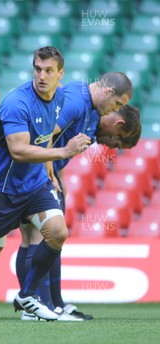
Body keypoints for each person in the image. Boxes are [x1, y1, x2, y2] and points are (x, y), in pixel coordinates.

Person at [0, 46, 92, 322]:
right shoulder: (17, 102)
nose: (42, 76)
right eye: (38, 69)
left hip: (33, 184)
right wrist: (63, 153)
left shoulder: (60, 99)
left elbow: (47, 134)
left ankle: (27, 294)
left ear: (60, 74)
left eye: (49, 71)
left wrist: (48, 169)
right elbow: (19, 150)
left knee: (58, 232)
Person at [17, 101, 139, 322]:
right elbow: (47, 135)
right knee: (40, 236)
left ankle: (52, 303)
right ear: (118, 123)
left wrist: (59, 178)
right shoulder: (83, 108)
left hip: (41, 174)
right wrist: (50, 175)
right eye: (118, 139)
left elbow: (57, 151)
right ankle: (41, 306)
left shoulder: (90, 126)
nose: (113, 145)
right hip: (34, 175)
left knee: (42, 238)